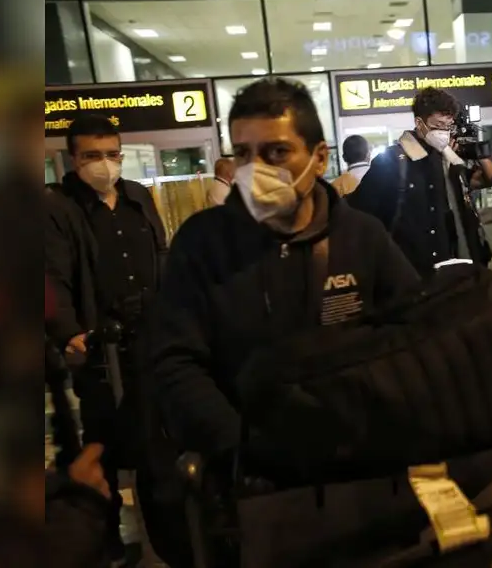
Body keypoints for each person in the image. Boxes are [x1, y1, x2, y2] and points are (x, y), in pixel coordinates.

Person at [148, 77, 419, 460]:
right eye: (243, 154)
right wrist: (241, 450)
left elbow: (410, 335)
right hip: (250, 474)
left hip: (359, 461)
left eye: (276, 152)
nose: (254, 170)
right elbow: (176, 361)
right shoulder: (202, 244)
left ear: (319, 158)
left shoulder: (361, 236)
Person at [44, 113, 168, 565]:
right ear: (73, 159)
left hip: (149, 342)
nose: (105, 164)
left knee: (156, 438)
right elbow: (51, 276)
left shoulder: (137, 197)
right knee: (104, 447)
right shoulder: (57, 207)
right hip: (98, 349)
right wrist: (70, 331)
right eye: (92, 156)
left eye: (112, 154)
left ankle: (165, 532)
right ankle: (106, 540)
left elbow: (161, 257)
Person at [349, 87, 492, 277]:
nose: (443, 132)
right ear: (419, 123)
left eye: (448, 126)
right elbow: (360, 211)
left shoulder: (448, 159)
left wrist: (477, 152)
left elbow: (489, 179)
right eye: (438, 126)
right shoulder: (392, 161)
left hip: (456, 268)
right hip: (412, 272)